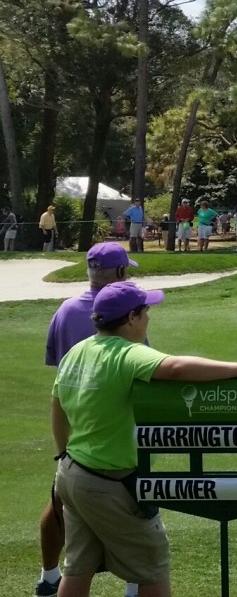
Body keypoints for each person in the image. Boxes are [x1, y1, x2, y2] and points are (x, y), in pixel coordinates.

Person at [51, 281, 237, 597]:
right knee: (152, 568)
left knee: (78, 566)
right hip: (111, 483)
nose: (148, 318)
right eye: (146, 312)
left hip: (71, 474)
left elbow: (57, 404)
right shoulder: (127, 353)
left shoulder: (78, 351)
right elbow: (174, 368)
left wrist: (62, 453)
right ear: (131, 318)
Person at [38, 243, 140, 597]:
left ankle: (49, 576)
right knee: (135, 512)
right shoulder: (126, 311)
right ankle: (135, 585)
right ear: (121, 273)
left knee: (60, 499)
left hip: (71, 423)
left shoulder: (65, 311)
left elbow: (58, 368)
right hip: (111, 428)